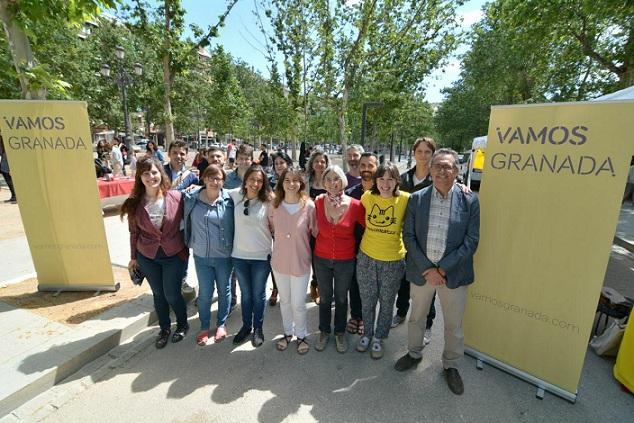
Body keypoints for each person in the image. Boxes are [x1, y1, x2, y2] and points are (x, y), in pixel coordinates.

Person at [395, 148, 480, 396]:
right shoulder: (417, 198)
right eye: (437, 166)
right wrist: (428, 269)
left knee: (454, 325)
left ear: (457, 170)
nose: (442, 171)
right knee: (416, 317)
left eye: (448, 166)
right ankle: (414, 353)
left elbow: (471, 240)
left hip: (453, 274)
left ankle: (451, 366)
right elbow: (408, 236)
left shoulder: (470, 200)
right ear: (430, 170)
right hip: (423, 273)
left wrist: (442, 269)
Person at [121, 156, 189, 349]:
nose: (151, 177)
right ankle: (164, 328)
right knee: (158, 294)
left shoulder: (176, 197)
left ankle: (183, 325)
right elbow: (134, 232)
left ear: (161, 173)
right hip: (148, 256)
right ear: (140, 177)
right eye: (146, 173)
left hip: (173, 254)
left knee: (172, 294)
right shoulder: (135, 203)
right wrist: (133, 257)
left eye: (154, 172)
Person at [356, 162, 410, 359]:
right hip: (367, 258)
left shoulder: (406, 199)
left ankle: (379, 337)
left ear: (397, 181)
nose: (385, 184)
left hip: (393, 260)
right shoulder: (367, 197)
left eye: (390, 179)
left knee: (387, 302)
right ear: (375, 180)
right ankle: (367, 333)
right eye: (381, 179)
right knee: (368, 301)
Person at [313, 165, 365, 353]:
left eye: (336, 178)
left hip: (346, 259)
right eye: (328, 179)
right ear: (323, 182)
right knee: (325, 297)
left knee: (342, 298)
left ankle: (340, 332)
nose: (333, 183)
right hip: (321, 258)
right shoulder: (318, 202)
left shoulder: (356, 205)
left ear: (343, 180)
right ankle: (324, 331)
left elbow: (370, 228)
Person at [392, 137, 437, 343]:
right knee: (403, 280)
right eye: (420, 151)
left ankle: (427, 324)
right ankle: (401, 312)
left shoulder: (438, 179)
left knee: (428, 284)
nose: (423, 155)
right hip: (403, 239)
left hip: (428, 241)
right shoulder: (403, 178)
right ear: (413, 153)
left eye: (428, 152)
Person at [183, 164, 234, 346]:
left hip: (224, 256)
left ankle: (221, 324)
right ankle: (204, 326)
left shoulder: (230, 200)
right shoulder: (191, 198)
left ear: (223, 181)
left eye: (218, 178)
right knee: (205, 293)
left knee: (224, 290)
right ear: (203, 179)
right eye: (210, 177)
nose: (214, 181)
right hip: (201, 256)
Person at [268, 167, 316, 354]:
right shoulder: (274, 205)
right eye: (286, 180)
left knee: (298, 303)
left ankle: (301, 335)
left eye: (295, 180)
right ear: (281, 183)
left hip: (300, 261)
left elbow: (314, 231)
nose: (291, 184)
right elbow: (271, 227)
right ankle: (288, 333)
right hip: (279, 262)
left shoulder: (309, 206)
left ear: (301, 183)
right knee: (285, 301)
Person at [229, 165, 273, 348]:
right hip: (239, 256)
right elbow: (212, 188)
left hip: (261, 258)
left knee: (258, 294)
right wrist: (194, 187)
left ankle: (258, 329)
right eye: (252, 179)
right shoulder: (234, 195)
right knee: (246, 295)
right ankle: (246, 326)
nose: (255, 183)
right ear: (245, 180)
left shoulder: (269, 200)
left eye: (259, 180)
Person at [344, 152, 379, 336]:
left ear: (376, 167)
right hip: (354, 247)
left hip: (376, 248)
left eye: (370, 166)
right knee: (355, 284)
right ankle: (355, 316)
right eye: (363, 165)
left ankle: (366, 318)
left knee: (371, 286)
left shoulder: (383, 193)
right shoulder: (350, 194)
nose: (366, 169)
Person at [224, 143, 254, 310]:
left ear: (252, 160)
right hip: (233, 227)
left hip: (253, 228)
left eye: (247, 159)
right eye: (241, 159)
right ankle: (233, 298)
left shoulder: (258, 177)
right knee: (233, 266)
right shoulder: (228, 179)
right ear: (236, 160)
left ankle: (250, 298)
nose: (244, 162)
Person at [266, 150, 293, 306]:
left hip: (293, 225)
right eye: (276, 164)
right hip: (275, 225)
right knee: (276, 259)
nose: (279, 166)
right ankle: (276, 288)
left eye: (282, 163)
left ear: (288, 163)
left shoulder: (294, 179)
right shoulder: (269, 181)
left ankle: (290, 288)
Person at [306, 148, 329, 304]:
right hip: (308, 226)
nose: (320, 164)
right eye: (317, 161)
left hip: (327, 226)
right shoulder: (306, 180)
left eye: (323, 161)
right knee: (313, 257)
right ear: (312, 164)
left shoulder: (331, 180)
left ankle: (321, 285)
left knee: (323, 258)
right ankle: (314, 284)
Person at [0, 135, 16, 203]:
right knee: (8, 181)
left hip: (6, 164)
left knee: (10, 181)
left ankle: (15, 196)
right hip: (3, 164)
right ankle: (13, 196)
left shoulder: (6, 144)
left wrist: (10, 168)